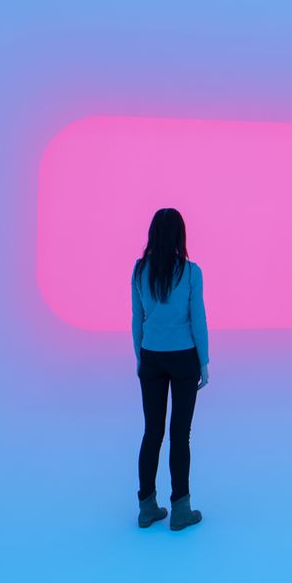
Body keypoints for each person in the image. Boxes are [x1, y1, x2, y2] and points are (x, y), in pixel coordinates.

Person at [131, 208, 208, 531]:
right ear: (180, 236)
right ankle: (180, 509)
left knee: (152, 432)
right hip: (184, 359)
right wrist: (204, 361)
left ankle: (147, 507)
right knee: (180, 434)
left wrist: (140, 358)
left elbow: (137, 321)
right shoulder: (191, 272)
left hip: (152, 357)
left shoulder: (139, 270)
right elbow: (198, 321)